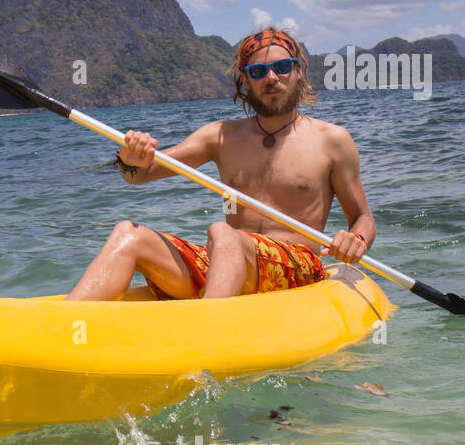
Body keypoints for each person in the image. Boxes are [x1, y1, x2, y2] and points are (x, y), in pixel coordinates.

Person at [66, 27, 376, 301]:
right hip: (229, 265)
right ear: (245, 80)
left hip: (297, 271)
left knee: (222, 233)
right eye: (258, 72)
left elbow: (362, 216)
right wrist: (128, 158)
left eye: (282, 67)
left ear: (298, 71)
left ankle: (205, 341)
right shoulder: (220, 136)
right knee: (128, 235)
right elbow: (138, 175)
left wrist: (356, 239)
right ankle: (64, 324)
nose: (271, 78)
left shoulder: (332, 140)